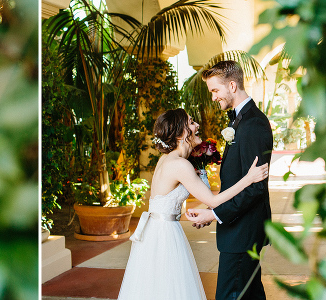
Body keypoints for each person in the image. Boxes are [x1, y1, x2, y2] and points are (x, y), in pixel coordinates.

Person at [117, 108, 270, 300]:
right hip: (165, 235)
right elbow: (213, 200)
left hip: (157, 231)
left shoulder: (168, 159)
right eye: (191, 122)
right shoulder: (180, 165)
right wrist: (248, 179)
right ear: (181, 133)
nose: (197, 125)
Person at [187, 60, 275, 300]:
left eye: (215, 90)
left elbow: (255, 187)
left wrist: (215, 214)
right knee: (250, 294)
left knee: (230, 295)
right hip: (241, 229)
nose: (213, 97)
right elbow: (239, 179)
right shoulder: (238, 120)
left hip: (242, 231)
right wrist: (213, 207)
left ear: (233, 86)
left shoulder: (253, 124)